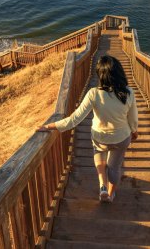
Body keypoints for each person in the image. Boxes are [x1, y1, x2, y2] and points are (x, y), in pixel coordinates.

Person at [37, 55, 138, 203]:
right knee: (114, 167)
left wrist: (49, 126)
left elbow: (74, 119)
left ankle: (102, 187)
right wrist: (134, 132)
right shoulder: (128, 93)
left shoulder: (94, 94)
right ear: (119, 72)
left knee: (100, 160)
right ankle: (110, 194)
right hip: (122, 137)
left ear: (100, 75)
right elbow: (133, 120)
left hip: (100, 137)